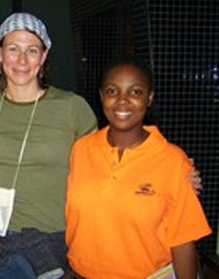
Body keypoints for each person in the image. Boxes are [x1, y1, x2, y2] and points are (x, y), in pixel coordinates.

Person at [0, 12, 98, 279]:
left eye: (32, 50)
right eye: (13, 49)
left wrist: (170, 176)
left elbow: (105, 165)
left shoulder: (72, 108)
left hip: (49, 240)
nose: (22, 61)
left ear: (44, 56)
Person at [65, 55, 211, 279]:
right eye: (113, 91)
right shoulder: (81, 150)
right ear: (102, 96)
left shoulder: (172, 161)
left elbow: (183, 242)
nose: (122, 101)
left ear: (149, 98)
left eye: (135, 92)